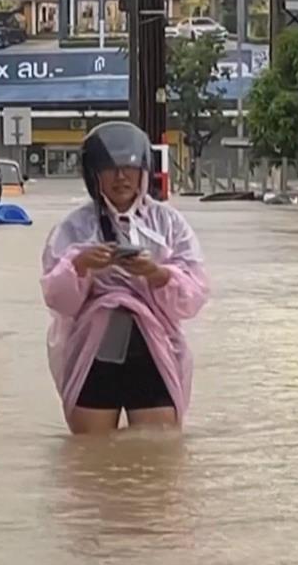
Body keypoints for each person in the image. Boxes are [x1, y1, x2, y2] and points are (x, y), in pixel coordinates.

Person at [41, 122, 209, 435]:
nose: (121, 177)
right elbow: (56, 298)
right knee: (89, 450)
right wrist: (80, 265)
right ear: (94, 175)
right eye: (110, 169)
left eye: (129, 168)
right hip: (93, 349)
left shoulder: (169, 223)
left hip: (154, 349)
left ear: (143, 171)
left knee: (158, 449)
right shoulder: (73, 227)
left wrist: (157, 274)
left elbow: (194, 293)